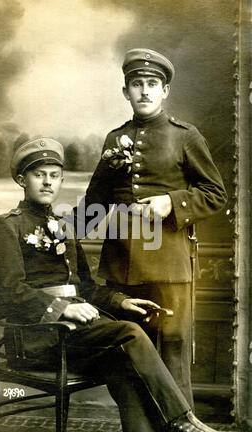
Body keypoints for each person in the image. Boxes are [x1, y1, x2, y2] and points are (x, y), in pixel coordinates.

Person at [0, 137, 247, 432]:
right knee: (130, 334)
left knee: (123, 365)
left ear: (61, 180)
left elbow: (86, 289)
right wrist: (59, 308)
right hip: (35, 338)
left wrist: (121, 301)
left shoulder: (64, 227)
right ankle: (188, 424)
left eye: (54, 175)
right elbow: (8, 292)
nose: (47, 182)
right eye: (39, 175)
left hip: (72, 338)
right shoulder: (5, 227)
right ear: (22, 180)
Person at [76, 48, 228, 409]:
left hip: (169, 270)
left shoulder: (185, 136)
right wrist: (52, 229)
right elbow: (93, 206)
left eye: (152, 84)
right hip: (121, 268)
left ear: (165, 91)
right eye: (136, 84)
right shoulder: (115, 140)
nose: (144, 91)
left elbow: (215, 193)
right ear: (126, 91)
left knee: (171, 355)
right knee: (128, 360)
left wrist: (172, 203)